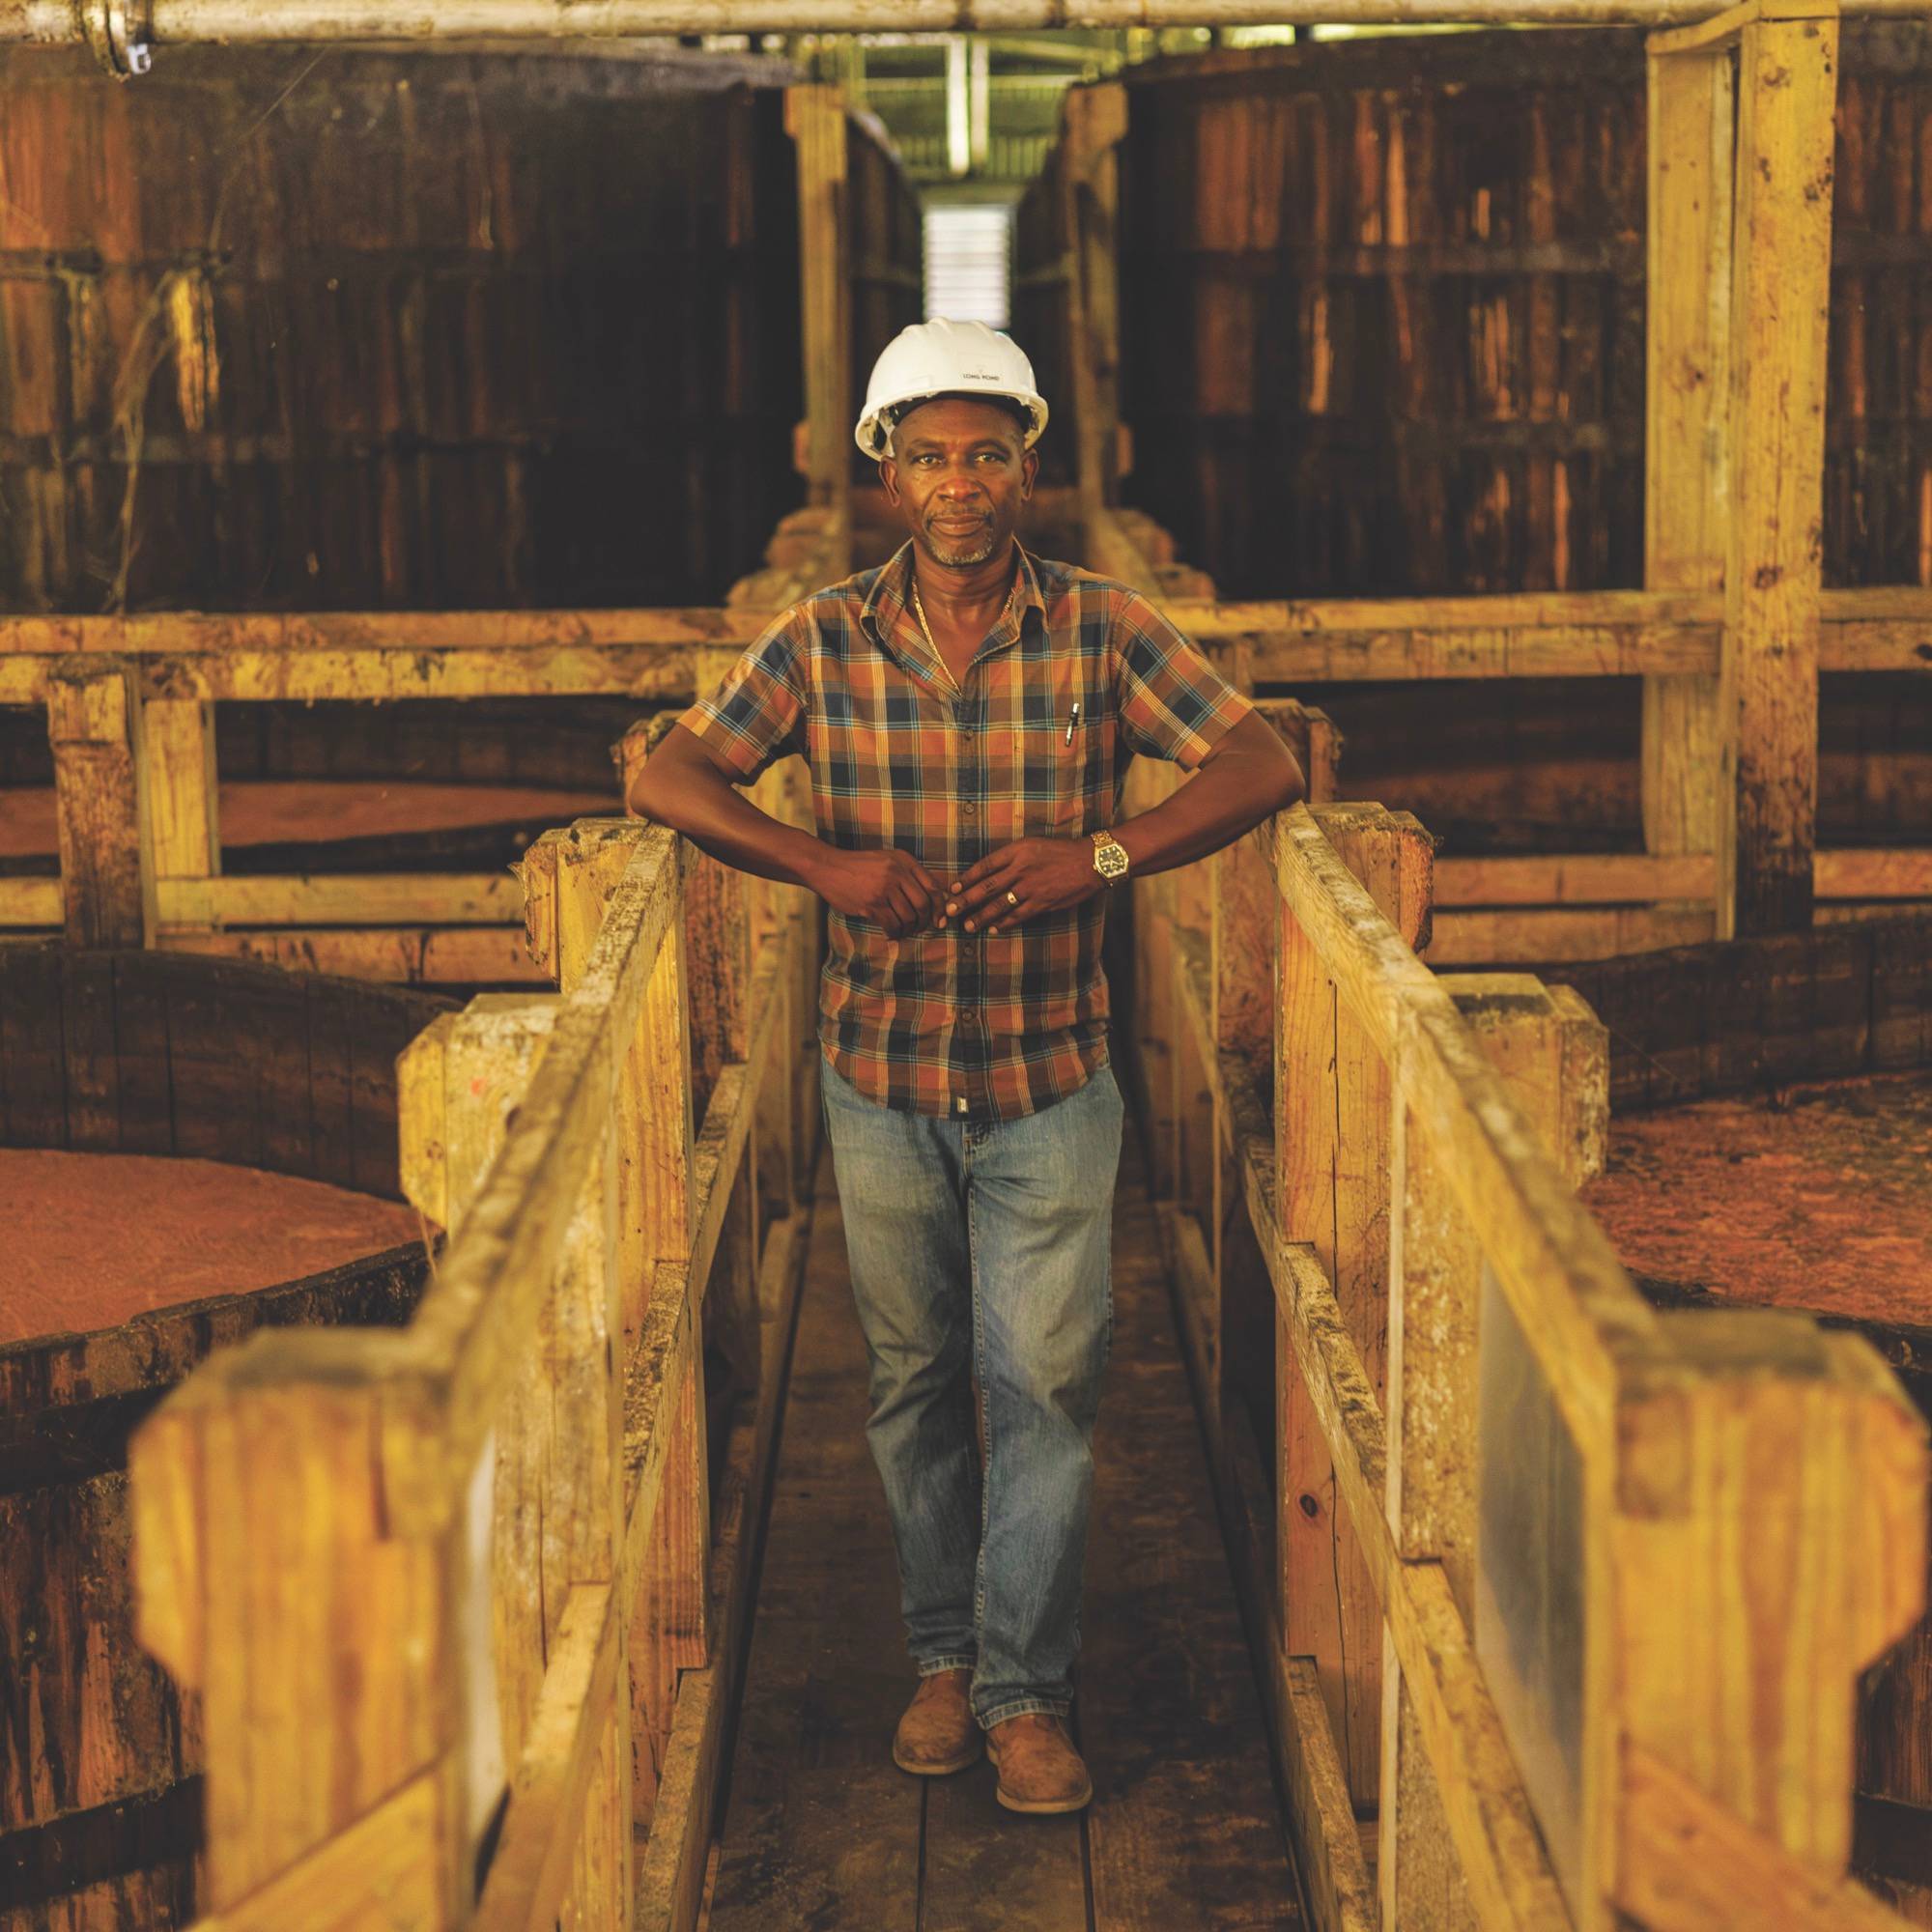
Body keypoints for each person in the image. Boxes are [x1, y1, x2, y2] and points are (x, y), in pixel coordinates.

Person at [627, 318, 1303, 1816]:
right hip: (876, 1079)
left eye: (986, 453)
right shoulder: (818, 639)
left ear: (1028, 467)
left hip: (1049, 1076)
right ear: (884, 474)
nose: (957, 483)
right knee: (915, 1381)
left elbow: (1264, 762)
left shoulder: (1105, 629)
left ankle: (1022, 1693)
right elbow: (666, 772)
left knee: (1047, 1386)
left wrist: (1105, 853)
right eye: (926, 455)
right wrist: (822, 864)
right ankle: (940, 1655)